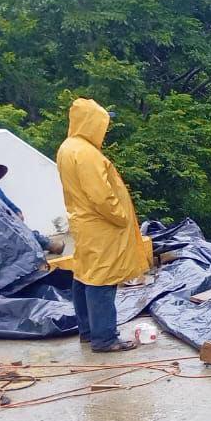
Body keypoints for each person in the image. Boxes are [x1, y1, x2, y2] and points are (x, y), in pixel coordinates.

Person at [56, 98, 152, 353]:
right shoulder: (85, 153)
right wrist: (121, 216)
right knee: (102, 279)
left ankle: (88, 331)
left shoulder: (69, 147)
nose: (105, 129)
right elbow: (100, 195)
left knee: (84, 274)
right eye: (102, 123)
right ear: (91, 123)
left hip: (84, 223)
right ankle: (105, 337)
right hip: (100, 225)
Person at [0, 164, 62, 254]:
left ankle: (45, 244)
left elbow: (9, 204)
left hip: (9, 224)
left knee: (20, 230)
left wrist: (17, 212)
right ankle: (44, 244)